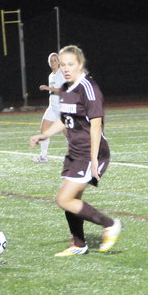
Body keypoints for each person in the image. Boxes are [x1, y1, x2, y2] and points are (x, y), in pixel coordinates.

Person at [29, 45, 122, 256]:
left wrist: (94, 159)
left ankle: (110, 224)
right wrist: (44, 135)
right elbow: (65, 119)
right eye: (62, 65)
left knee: (63, 198)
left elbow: (96, 126)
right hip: (75, 152)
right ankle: (79, 245)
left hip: (90, 153)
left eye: (70, 64)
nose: (65, 68)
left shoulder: (88, 88)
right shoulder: (66, 88)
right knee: (71, 201)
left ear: (80, 64)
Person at [34, 52, 67, 163]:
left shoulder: (61, 73)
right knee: (44, 130)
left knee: (69, 134)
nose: (53, 62)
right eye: (51, 61)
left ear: (59, 61)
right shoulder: (51, 75)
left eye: (54, 60)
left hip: (62, 107)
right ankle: (43, 156)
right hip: (52, 107)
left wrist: (47, 88)